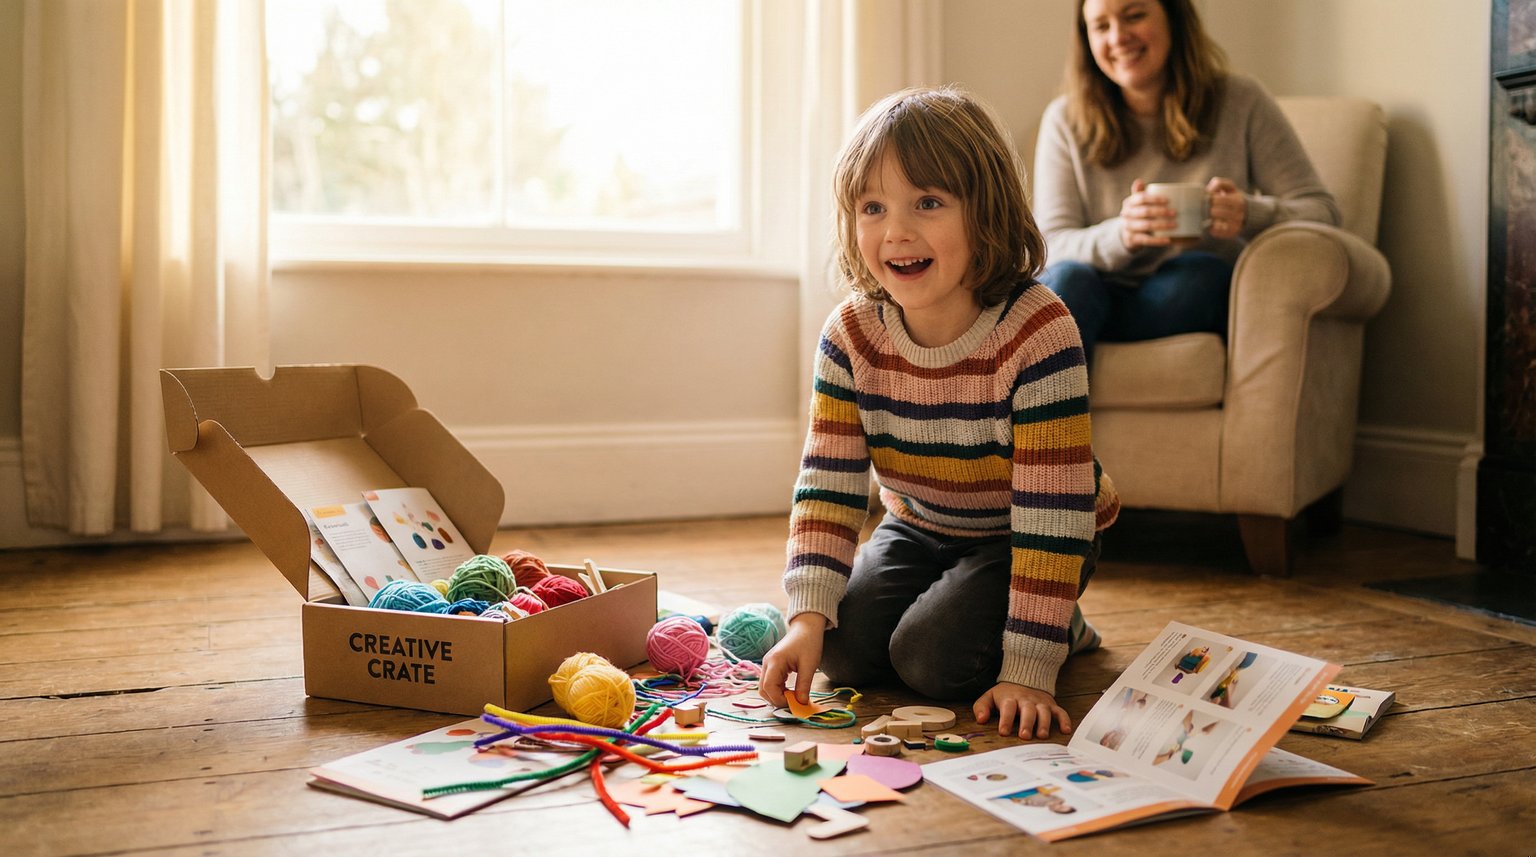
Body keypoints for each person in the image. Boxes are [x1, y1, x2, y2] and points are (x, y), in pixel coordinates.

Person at [759, 85, 1121, 740]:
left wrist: (1031, 665)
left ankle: (1057, 621)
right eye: (873, 206)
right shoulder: (849, 335)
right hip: (921, 522)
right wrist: (804, 618)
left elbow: (1053, 513)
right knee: (840, 650)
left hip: (1030, 532)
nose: (896, 230)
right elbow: (828, 489)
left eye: (927, 202)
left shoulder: (1040, 328)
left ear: (984, 212)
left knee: (929, 657)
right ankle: (980, 606)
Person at [1032, 0, 1340, 363]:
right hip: (1095, 291)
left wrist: (1249, 213)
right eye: (1101, 26)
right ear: (1087, 41)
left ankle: (1078, 352)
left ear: (1174, 17)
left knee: (1201, 276)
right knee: (1069, 282)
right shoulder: (1065, 120)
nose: (1118, 37)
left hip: (1183, 294)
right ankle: (1056, 415)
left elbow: (1323, 214)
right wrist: (1122, 234)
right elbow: (1049, 247)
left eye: (1134, 15)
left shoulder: (1241, 101)